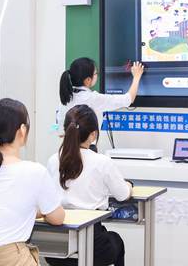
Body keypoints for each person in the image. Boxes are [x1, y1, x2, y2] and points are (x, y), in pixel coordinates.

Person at [0, 98, 65, 266]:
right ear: (22, 130)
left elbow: (0, 209)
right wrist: (41, 211)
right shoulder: (34, 171)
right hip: (9, 259)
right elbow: (58, 218)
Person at [46, 105, 131, 266]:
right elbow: (122, 195)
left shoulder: (53, 160)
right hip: (93, 246)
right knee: (116, 241)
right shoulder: (102, 162)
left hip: (57, 248)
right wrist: (128, 185)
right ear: (93, 135)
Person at [58, 57, 144, 138]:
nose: (97, 75)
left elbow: (61, 133)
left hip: (68, 147)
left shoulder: (67, 97)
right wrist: (136, 77)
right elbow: (128, 99)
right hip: (86, 146)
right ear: (88, 80)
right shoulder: (92, 98)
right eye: (96, 73)